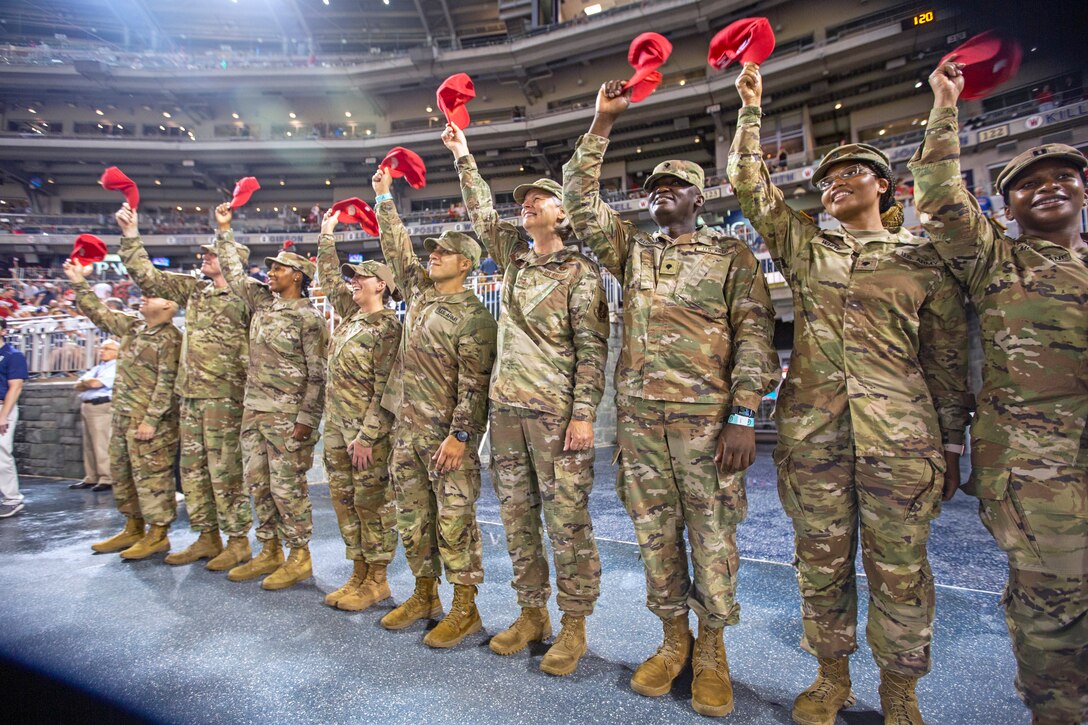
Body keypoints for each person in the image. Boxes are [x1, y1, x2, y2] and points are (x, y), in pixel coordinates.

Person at [729, 62, 970, 725]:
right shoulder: (808, 251)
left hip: (901, 443)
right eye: (826, 180)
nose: (834, 184)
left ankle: (900, 693)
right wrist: (750, 109)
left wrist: (952, 441)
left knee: (901, 572)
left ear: (885, 187)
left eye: (850, 174)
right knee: (822, 566)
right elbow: (750, 187)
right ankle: (831, 677)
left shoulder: (923, 261)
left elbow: (945, 359)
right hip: (816, 442)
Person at [563, 80, 780, 717]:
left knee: (712, 537)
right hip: (641, 429)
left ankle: (713, 651)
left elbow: (756, 336)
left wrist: (744, 415)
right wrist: (601, 122)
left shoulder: (730, 253)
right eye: (653, 187)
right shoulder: (632, 254)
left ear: (697, 196)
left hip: (708, 428)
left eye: (674, 186)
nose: (661, 193)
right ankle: (672, 640)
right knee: (655, 537)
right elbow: (578, 202)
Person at [911, 60, 1087, 725]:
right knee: (1054, 616)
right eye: (1028, 185)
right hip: (1041, 478)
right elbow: (936, 191)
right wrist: (946, 104)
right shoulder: (996, 260)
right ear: (1006, 204)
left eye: (1063, 177)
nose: (1048, 188)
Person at [443, 121, 609, 675]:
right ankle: (531, 613)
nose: (528, 205)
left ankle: (575, 625)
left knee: (567, 523)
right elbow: (483, 215)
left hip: (555, 416)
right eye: (525, 201)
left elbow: (592, 348)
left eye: (540, 200)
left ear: (563, 214)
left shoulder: (578, 272)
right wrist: (464, 154)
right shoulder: (513, 261)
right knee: (517, 521)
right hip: (507, 414)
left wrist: (584, 414)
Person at [371, 166, 497, 649]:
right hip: (409, 434)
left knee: (455, 519)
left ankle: (465, 608)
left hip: (447, 440)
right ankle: (425, 594)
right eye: (434, 251)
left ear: (466, 263)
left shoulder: (475, 318)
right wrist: (384, 199)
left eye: (444, 252)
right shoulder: (421, 295)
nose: (434, 256)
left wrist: (461, 436)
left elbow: (475, 385)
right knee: (413, 516)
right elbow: (397, 251)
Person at [118, 203, 254, 571]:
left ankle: (239, 542)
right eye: (206, 252)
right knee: (193, 472)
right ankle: (208, 537)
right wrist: (132, 235)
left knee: (225, 471)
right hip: (191, 396)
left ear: (230, 258)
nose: (205, 257)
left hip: (224, 398)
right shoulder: (196, 290)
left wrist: (224, 231)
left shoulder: (245, 295)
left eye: (212, 253)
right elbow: (150, 280)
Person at [213, 203, 326, 591]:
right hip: (254, 412)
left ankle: (299, 556)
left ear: (297, 275)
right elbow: (233, 271)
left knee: (286, 487)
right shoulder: (263, 302)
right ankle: (270, 549)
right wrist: (225, 229)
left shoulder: (309, 318)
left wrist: (307, 419)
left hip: (288, 417)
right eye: (270, 268)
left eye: (278, 268)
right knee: (257, 484)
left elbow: (318, 375)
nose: (270, 273)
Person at [65, 260, 182, 559]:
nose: (144, 297)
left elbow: (168, 383)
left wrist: (152, 420)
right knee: (123, 474)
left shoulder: (171, 339)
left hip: (149, 422)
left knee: (153, 478)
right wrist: (79, 282)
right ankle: (132, 527)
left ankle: (158, 533)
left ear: (169, 305)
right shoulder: (133, 327)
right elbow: (99, 313)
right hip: (123, 417)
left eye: (152, 295)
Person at [316, 208, 402, 612]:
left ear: (381, 286)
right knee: (345, 502)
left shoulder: (388, 328)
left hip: (366, 436)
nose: (352, 283)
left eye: (360, 277)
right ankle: (359, 572)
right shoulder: (351, 320)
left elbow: (388, 390)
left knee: (373, 504)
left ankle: (378, 580)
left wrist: (368, 436)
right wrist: (327, 235)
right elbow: (329, 279)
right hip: (336, 430)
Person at [71, 339, 118, 491]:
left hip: (102, 406)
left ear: (117, 352)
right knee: (89, 444)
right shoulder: (98, 368)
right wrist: (86, 382)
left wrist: (86, 383)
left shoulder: (116, 366)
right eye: (101, 348)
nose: (102, 351)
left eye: (107, 348)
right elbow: (77, 385)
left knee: (101, 442)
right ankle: (91, 476)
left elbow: (95, 384)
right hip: (87, 406)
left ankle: (106, 478)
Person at [0, 318, 28, 518]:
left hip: (3, 406)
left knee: (2, 454)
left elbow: (15, 387)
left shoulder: (12, 355)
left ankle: (12, 499)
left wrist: (4, 416)